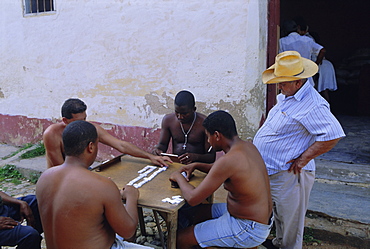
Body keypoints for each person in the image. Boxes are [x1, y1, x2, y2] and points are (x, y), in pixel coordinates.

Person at [254, 51, 345, 249]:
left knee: (291, 221)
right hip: (274, 170)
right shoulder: (287, 95)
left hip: (291, 173)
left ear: (299, 82)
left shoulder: (313, 104)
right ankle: (279, 243)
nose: (279, 86)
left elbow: (333, 134)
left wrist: (304, 159)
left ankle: (288, 247)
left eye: (283, 82)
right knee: (280, 213)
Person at [36, 120, 151, 249]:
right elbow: (128, 231)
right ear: (91, 147)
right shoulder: (102, 185)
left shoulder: (44, 178)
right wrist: (131, 196)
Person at [169, 110, 273, 249]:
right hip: (260, 219)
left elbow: (193, 198)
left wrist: (178, 177)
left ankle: (196, 239)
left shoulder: (227, 161)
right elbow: (220, 169)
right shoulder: (248, 146)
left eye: (208, 136)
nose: (208, 141)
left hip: (247, 228)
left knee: (180, 238)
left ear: (217, 135)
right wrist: (196, 165)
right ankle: (202, 236)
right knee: (194, 213)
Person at [43, 98, 170, 168]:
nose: (84, 124)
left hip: (83, 172)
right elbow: (60, 169)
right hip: (60, 178)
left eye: (85, 119)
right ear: (65, 120)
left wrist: (151, 156)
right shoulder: (52, 134)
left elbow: (121, 145)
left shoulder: (90, 129)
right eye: (78, 121)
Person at [152, 90, 215, 164]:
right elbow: (162, 145)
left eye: (184, 114)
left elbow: (211, 157)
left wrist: (195, 157)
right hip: (176, 165)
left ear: (193, 109)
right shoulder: (168, 120)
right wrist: (158, 150)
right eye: (177, 112)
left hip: (198, 167)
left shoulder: (204, 123)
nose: (180, 117)